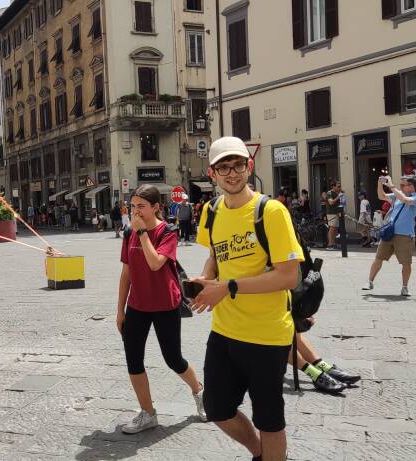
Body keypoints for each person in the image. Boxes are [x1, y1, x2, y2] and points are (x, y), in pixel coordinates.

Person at [190, 137, 303, 461]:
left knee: (269, 419)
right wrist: (207, 279)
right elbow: (215, 255)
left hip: (267, 334)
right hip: (225, 330)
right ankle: (259, 454)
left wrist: (227, 288)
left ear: (248, 166)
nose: (231, 173)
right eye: (223, 167)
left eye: (237, 165)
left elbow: (288, 275)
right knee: (216, 407)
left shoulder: (270, 211)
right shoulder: (210, 212)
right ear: (212, 174)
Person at [116, 184, 205, 434]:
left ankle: (199, 391)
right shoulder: (128, 233)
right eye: (133, 207)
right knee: (133, 360)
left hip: (165, 303)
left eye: (141, 207)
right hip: (137, 305)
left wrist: (143, 233)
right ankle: (148, 413)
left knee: (173, 359)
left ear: (156, 207)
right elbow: (126, 274)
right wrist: (120, 311)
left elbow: (156, 264)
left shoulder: (168, 232)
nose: (136, 212)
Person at [362, 176, 416, 296]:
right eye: (400, 185)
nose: (401, 187)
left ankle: (405, 287)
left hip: (405, 235)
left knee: (406, 263)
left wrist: (391, 185)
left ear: (411, 186)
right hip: (390, 232)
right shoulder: (397, 195)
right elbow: (382, 196)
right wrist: (380, 183)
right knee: (378, 258)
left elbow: (405, 199)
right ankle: (369, 282)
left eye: (403, 185)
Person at [324, 182, 342, 250]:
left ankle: (333, 243)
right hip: (331, 213)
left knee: (335, 229)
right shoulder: (329, 193)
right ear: (333, 187)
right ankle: (330, 244)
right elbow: (331, 202)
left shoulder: (336, 193)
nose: (339, 188)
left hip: (336, 213)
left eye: (340, 186)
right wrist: (338, 197)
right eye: (338, 186)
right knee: (332, 228)